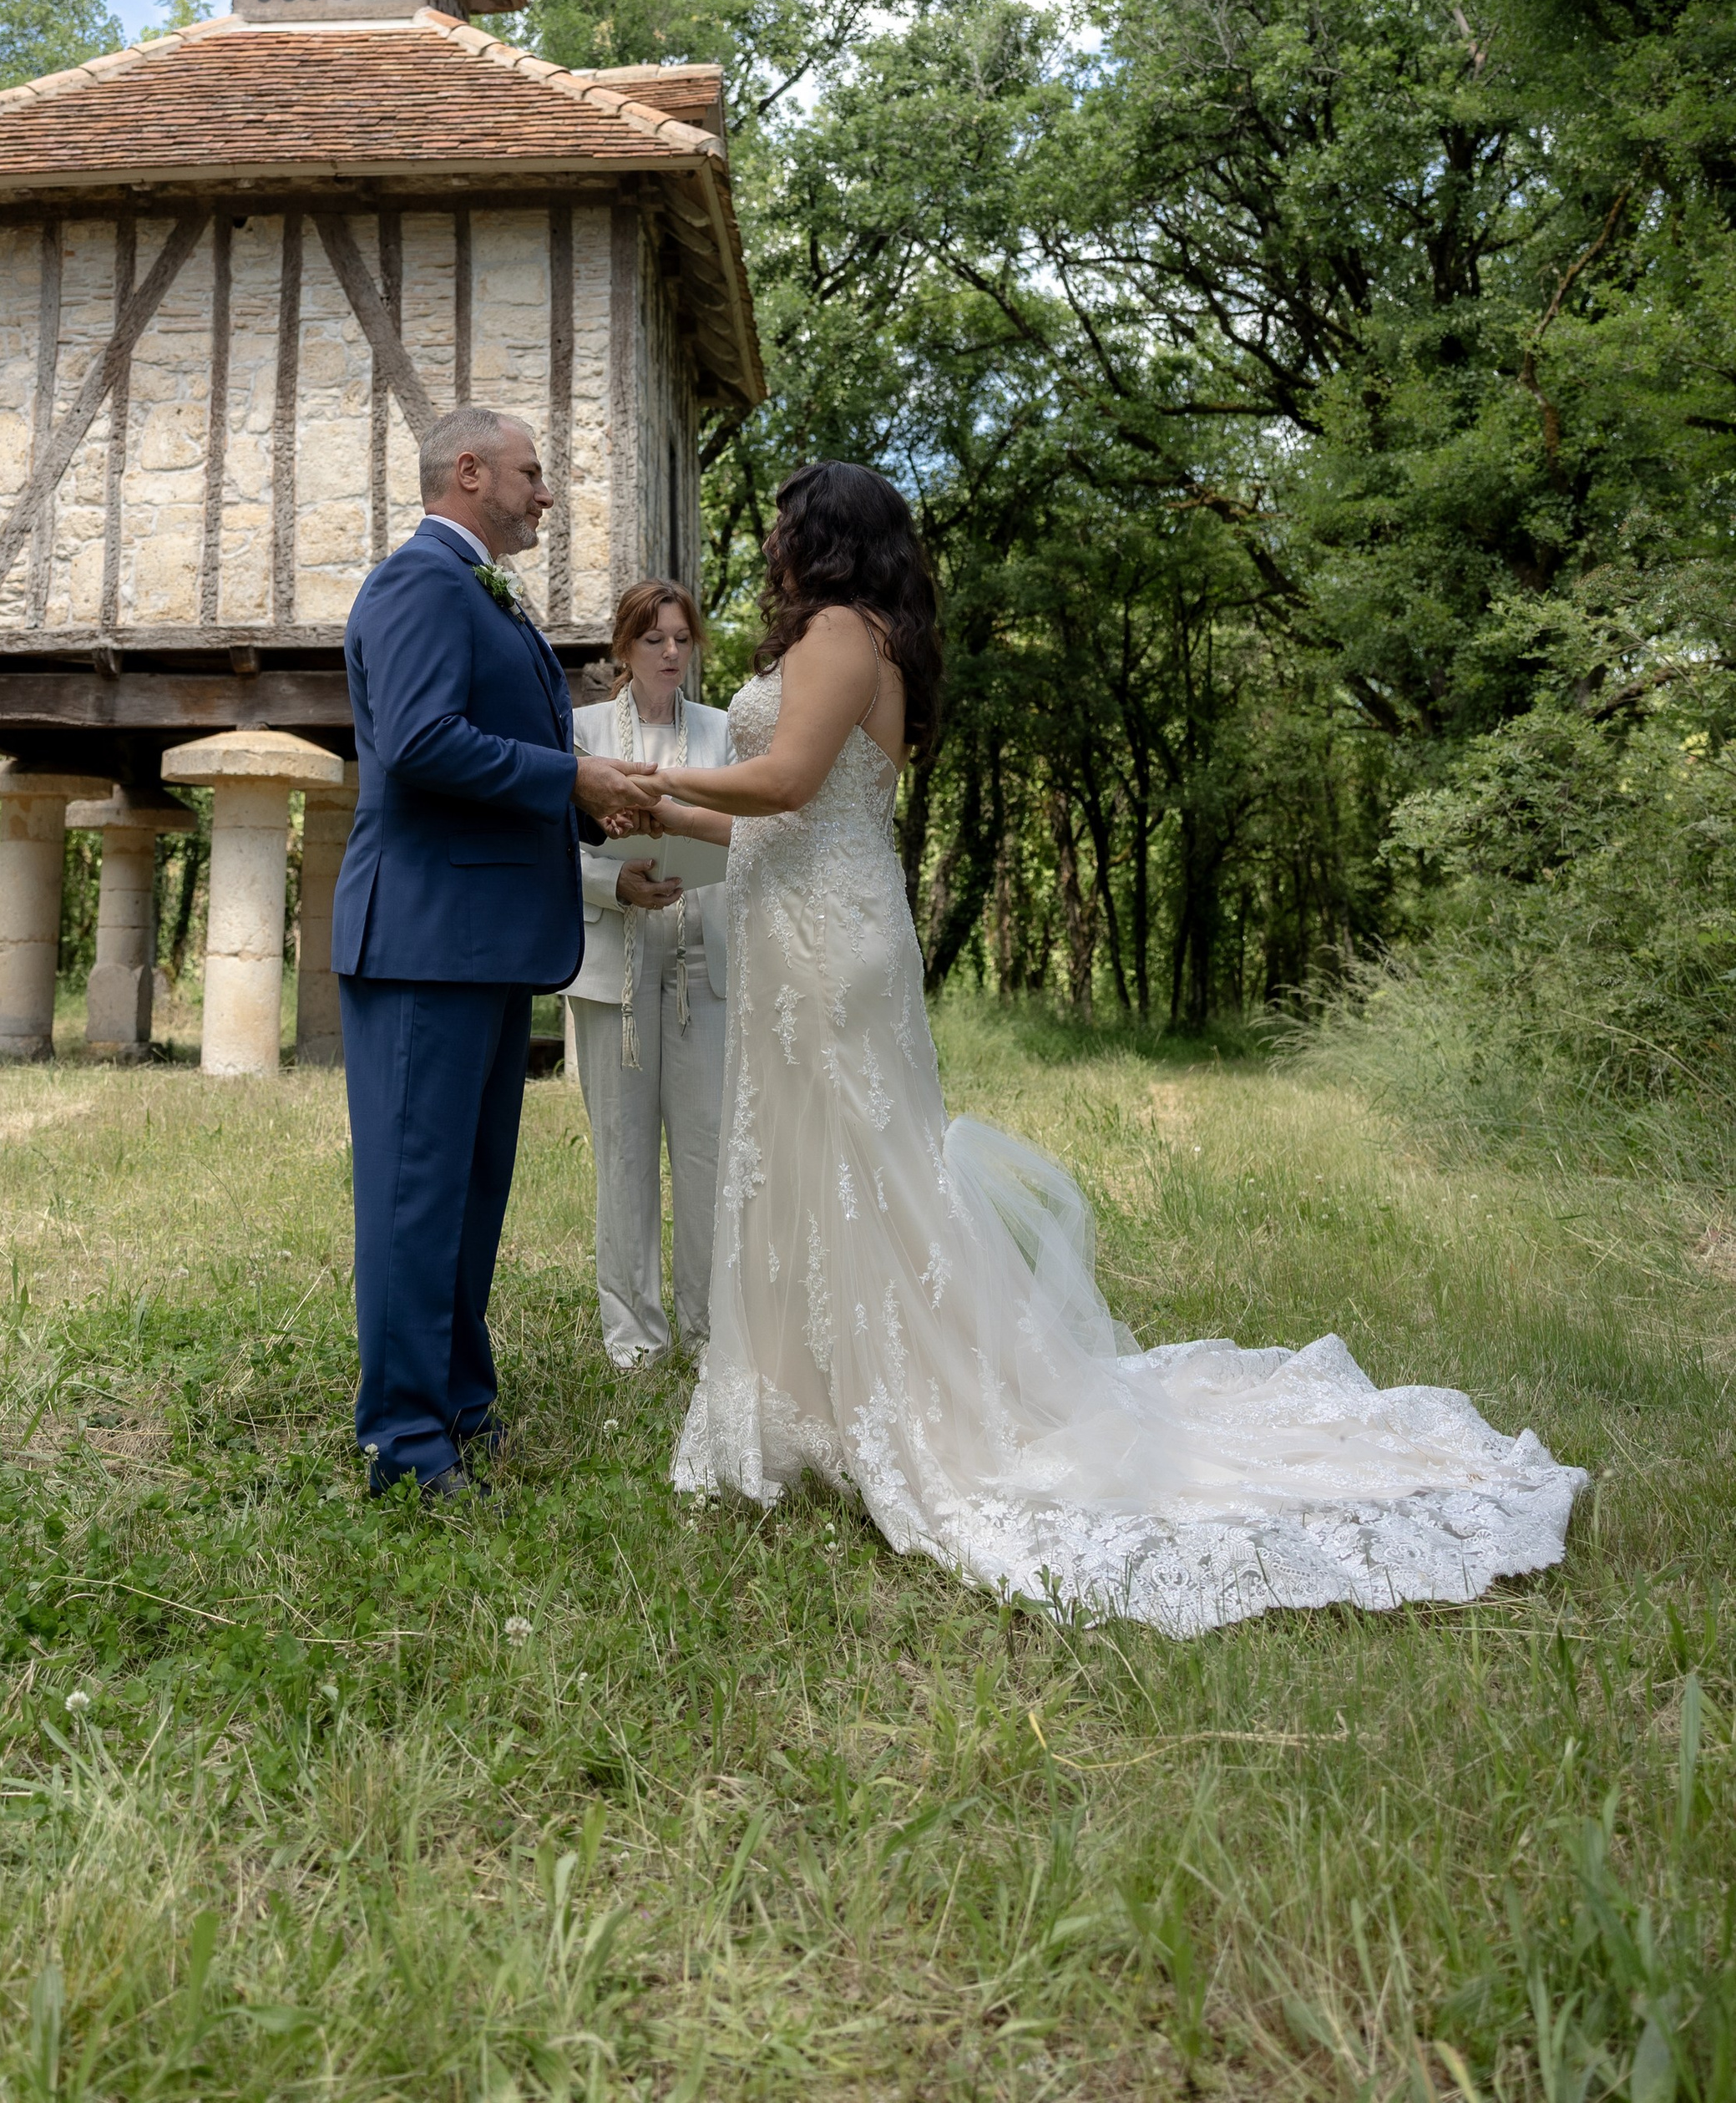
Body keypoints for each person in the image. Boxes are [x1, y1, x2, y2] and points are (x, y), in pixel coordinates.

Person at [625, 460, 1589, 1636]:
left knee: (863, 1172)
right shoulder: (859, 634)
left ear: (824, 537)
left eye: (785, 524)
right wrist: (664, 810)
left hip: (830, 942)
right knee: (815, 1169)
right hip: (808, 923)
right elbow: (766, 810)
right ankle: (816, 1407)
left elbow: (787, 779)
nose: (773, 543)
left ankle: (903, 1406)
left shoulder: (839, 632)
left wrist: (650, 772)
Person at [332, 404, 653, 1503]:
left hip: (479, 943)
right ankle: (405, 1445)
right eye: (531, 473)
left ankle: (461, 1403)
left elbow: (495, 750)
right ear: (468, 472)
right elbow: (419, 744)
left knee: (469, 1197)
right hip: (422, 940)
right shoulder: (421, 582)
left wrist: (591, 816)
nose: (545, 493)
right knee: (415, 1199)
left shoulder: (482, 590)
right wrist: (573, 780)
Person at [567, 581, 735, 1367]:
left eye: (682, 639)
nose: (671, 653)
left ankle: (708, 1333)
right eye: (653, 640)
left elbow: (753, 833)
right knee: (625, 1159)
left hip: (706, 968)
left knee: (707, 1155)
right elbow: (551, 845)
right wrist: (612, 882)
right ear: (623, 650)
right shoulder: (581, 732)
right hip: (615, 973)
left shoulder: (725, 731)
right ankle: (633, 1337)